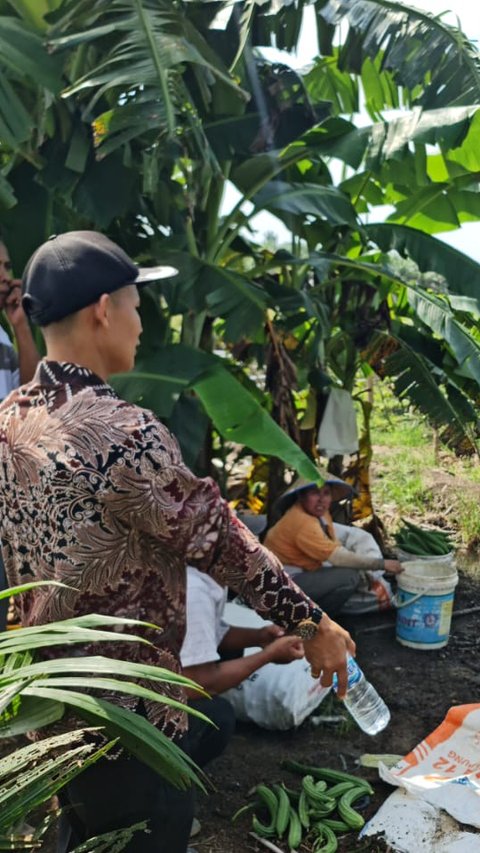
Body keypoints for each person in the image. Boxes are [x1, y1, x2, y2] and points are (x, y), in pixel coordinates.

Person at [0, 231, 355, 853]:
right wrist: (309, 621)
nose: (141, 324)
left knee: (91, 823)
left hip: (49, 701)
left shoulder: (9, 421)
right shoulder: (121, 431)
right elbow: (220, 540)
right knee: (143, 833)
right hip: (128, 718)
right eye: (137, 306)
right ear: (103, 309)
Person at [264, 477, 403, 615]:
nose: (321, 499)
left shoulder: (320, 514)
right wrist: (381, 564)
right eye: (315, 493)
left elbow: (332, 545)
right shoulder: (302, 522)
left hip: (299, 572)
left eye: (326, 493)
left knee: (349, 571)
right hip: (280, 585)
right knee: (349, 577)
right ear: (301, 496)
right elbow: (337, 557)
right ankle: (315, 619)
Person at [0, 237, 39, 630]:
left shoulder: (3, 341)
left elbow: (28, 398)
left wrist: (21, 326)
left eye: (8, 267)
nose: (5, 277)